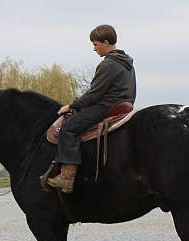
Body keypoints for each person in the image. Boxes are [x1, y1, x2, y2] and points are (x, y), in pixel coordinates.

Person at [48, 24, 136, 193]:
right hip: (123, 104)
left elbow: (94, 95)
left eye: (95, 45)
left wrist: (71, 105)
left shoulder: (108, 64)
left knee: (68, 128)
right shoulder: (127, 63)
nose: (94, 49)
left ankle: (67, 177)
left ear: (105, 42)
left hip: (105, 106)